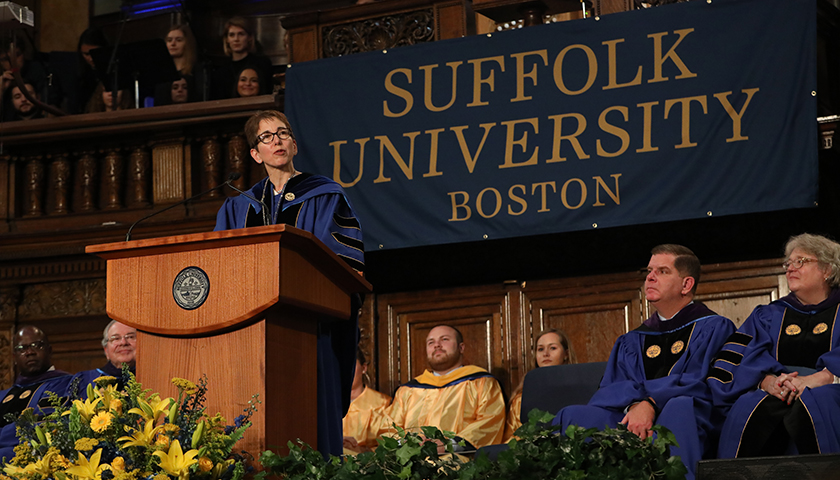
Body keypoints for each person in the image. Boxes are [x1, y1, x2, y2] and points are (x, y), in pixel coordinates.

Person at [214, 110, 364, 458]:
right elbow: (219, 267)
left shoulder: (326, 196)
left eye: (282, 133)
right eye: (266, 137)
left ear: (294, 144)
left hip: (308, 328)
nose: (276, 140)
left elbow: (342, 263)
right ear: (255, 153)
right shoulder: (238, 208)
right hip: (248, 333)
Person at [552, 245, 734, 480]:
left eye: (662, 271)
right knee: (573, 416)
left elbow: (702, 382)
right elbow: (611, 388)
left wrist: (651, 402)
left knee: (680, 407)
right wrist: (635, 406)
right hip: (632, 417)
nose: (649, 277)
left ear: (686, 285)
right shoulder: (633, 339)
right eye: (649, 271)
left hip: (689, 417)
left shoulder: (714, 328)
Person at [710, 233, 840, 458]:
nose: (790, 268)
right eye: (788, 263)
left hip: (828, 388)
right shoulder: (768, 314)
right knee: (749, 406)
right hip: (775, 389)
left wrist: (820, 378)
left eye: (800, 261)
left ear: (827, 270)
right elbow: (737, 358)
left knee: (819, 403)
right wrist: (767, 381)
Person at [354, 325, 507, 453]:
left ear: (461, 347)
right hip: (410, 461)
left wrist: (447, 445)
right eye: (431, 342)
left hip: (458, 461)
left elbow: (490, 422)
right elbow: (389, 429)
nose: (437, 345)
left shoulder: (481, 382)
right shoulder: (408, 390)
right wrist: (410, 446)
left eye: (444, 340)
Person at [0, 326, 73, 461]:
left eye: (36, 345)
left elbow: (48, 427)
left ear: (49, 350)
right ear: (14, 358)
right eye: (22, 349)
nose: (29, 352)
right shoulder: (3, 395)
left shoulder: (66, 384)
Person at [504, 328, 575, 441]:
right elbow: (511, 438)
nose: (546, 354)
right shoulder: (522, 399)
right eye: (540, 349)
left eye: (552, 348)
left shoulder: (578, 390)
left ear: (566, 354)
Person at [342, 348, 391, 455]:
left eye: (350, 365)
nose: (345, 371)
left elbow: (388, 446)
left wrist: (362, 451)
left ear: (364, 368)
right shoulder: (327, 405)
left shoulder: (382, 404)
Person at [210, 17, 273, 100]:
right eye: (232, 35)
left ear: (249, 38)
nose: (236, 39)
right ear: (227, 40)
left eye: (241, 34)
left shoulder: (262, 64)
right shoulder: (221, 71)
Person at [70, 320, 137, 394]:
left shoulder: (150, 379)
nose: (123, 342)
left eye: (130, 337)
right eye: (116, 338)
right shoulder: (83, 381)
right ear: (106, 350)